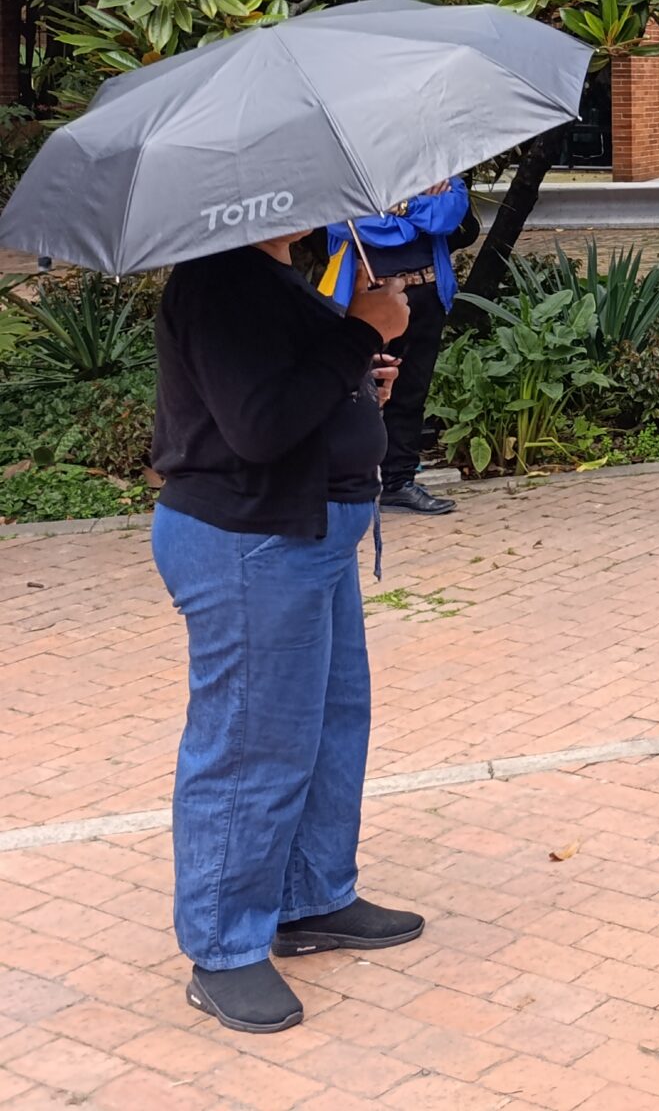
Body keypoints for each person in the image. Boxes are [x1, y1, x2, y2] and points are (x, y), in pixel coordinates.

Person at [150, 233, 424, 1034]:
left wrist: (353, 382)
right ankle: (224, 949)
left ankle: (310, 899)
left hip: (309, 537)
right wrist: (362, 331)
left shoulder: (270, 279)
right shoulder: (220, 283)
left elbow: (289, 394)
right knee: (249, 745)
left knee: (332, 725)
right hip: (251, 543)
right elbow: (258, 429)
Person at [321, 179, 477, 515]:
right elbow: (356, 225)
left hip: (427, 293)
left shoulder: (431, 166)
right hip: (370, 298)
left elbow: (450, 215)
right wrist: (417, 214)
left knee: (411, 392)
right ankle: (347, 481)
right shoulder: (344, 175)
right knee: (359, 390)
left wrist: (402, 206)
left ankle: (398, 482)